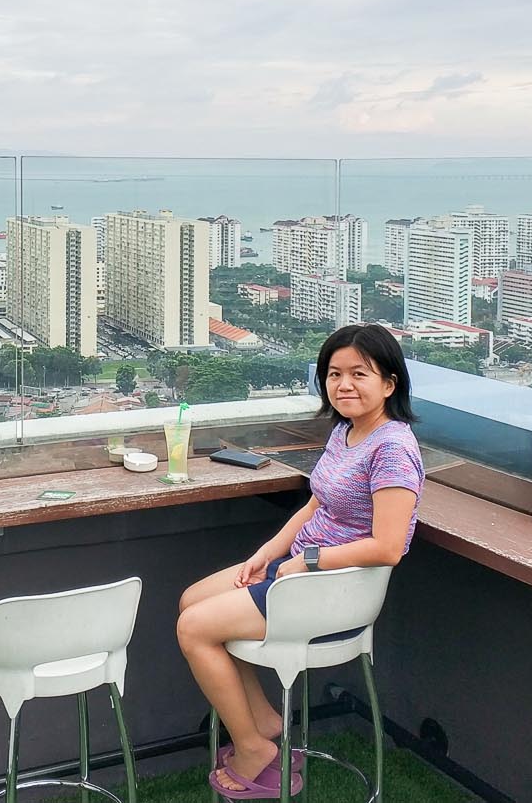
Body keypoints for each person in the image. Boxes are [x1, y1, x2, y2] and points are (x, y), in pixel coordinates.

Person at [177, 324, 424, 799]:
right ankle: (267, 720)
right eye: (334, 374)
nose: (344, 384)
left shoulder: (392, 449)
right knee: (193, 600)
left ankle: (254, 747)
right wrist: (267, 552)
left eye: (359, 374)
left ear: (390, 384)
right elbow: (316, 504)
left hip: (333, 586)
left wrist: (307, 560)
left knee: (195, 628)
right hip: (300, 567)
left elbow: (389, 546)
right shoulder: (346, 430)